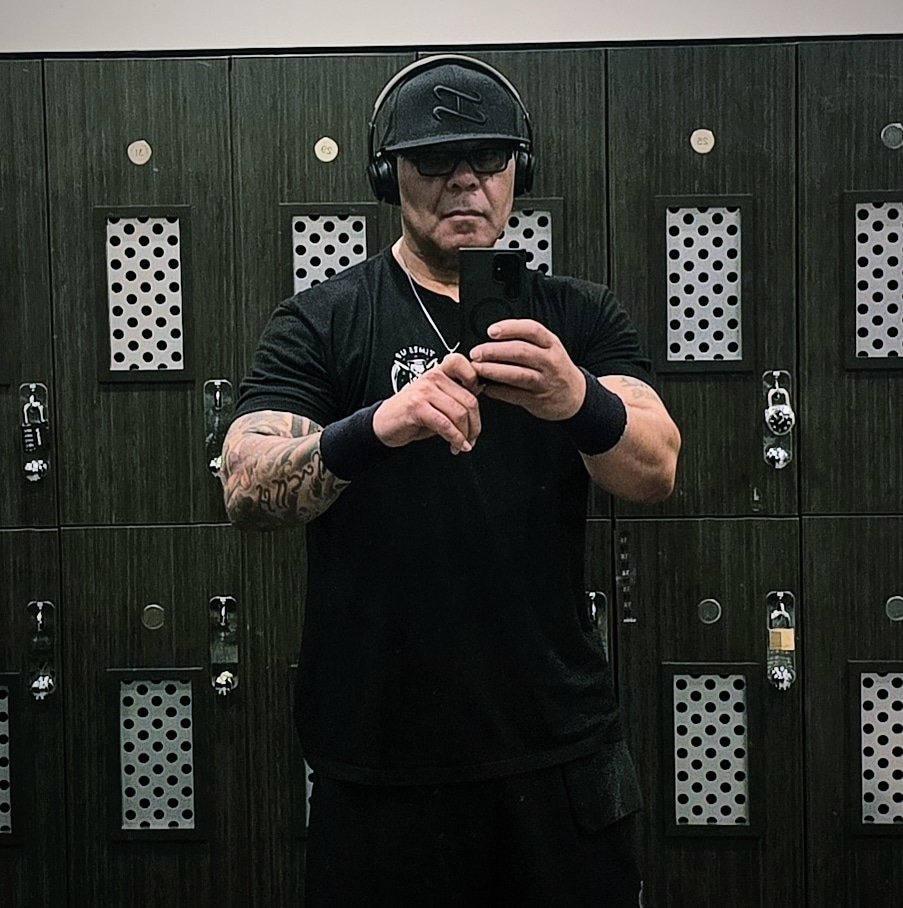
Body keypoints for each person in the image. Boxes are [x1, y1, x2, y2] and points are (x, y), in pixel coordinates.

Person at [220, 54, 680, 907]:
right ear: (387, 175)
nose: (465, 180)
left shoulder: (579, 317)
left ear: (518, 173)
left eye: (489, 157)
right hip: (382, 759)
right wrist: (376, 427)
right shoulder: (325, 319)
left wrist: (577, 398)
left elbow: (657, 467)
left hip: (558, 748)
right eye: (434, 159)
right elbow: (245, 484)